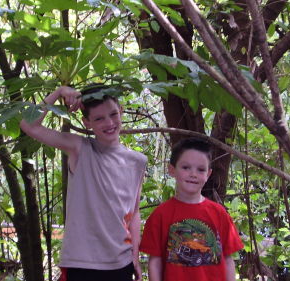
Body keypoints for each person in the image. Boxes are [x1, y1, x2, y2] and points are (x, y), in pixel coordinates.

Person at [20, 84, 147, 281]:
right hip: (81, 262)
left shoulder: (138, 161)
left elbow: (135, 211)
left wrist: (135, 257)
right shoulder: (80, 148)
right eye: (99, 118)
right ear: (86, 122)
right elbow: (29, 125)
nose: (109, 122)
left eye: (113, 114)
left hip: (121, 262)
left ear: (121, 111)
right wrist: (59, 91)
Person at [139, 137, 243, 281]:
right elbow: (155, 262)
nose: (193, 174)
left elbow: (228, 259)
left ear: (208, 174)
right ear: (172, 170)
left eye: (200, 169)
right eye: (186, 167)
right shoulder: (160, 215)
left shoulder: (219, 214)